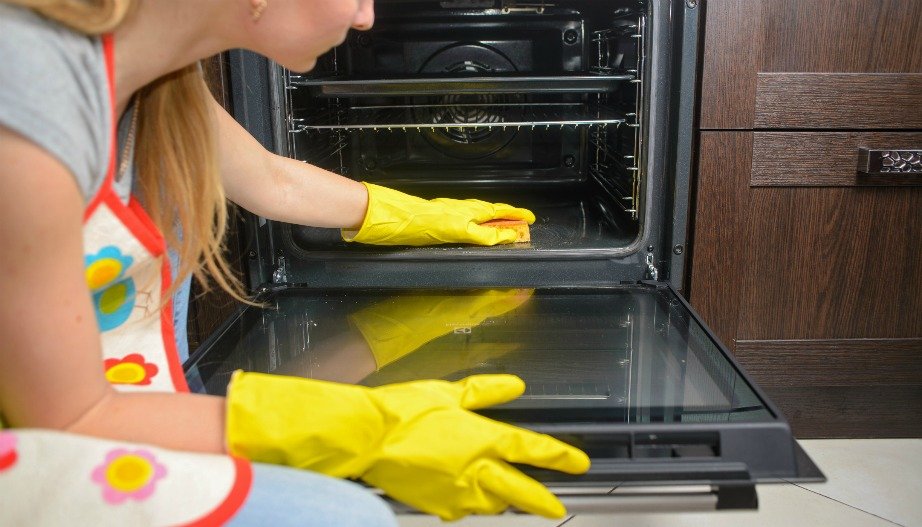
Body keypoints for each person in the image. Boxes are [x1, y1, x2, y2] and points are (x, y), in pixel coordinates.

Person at [0, 0, 591, 525]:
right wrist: (356, 428)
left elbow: (269, 180)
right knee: (347, 515)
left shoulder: (159, 68)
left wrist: (422, 217)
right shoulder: (29, 89)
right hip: (46, 440)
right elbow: (69, 419)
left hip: (131, 393)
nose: (368, 17)